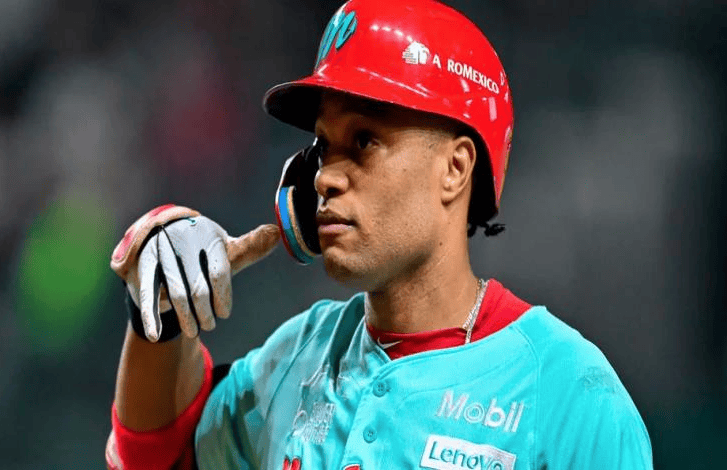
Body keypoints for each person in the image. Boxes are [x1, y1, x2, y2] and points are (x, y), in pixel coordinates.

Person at [106, 0, 653, 469]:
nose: (323, 177)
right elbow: (160, 455)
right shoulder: (299, 355)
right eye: (324, 146)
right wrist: (161, 318)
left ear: (455, 169)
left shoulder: (570, 393)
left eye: (364, 141)